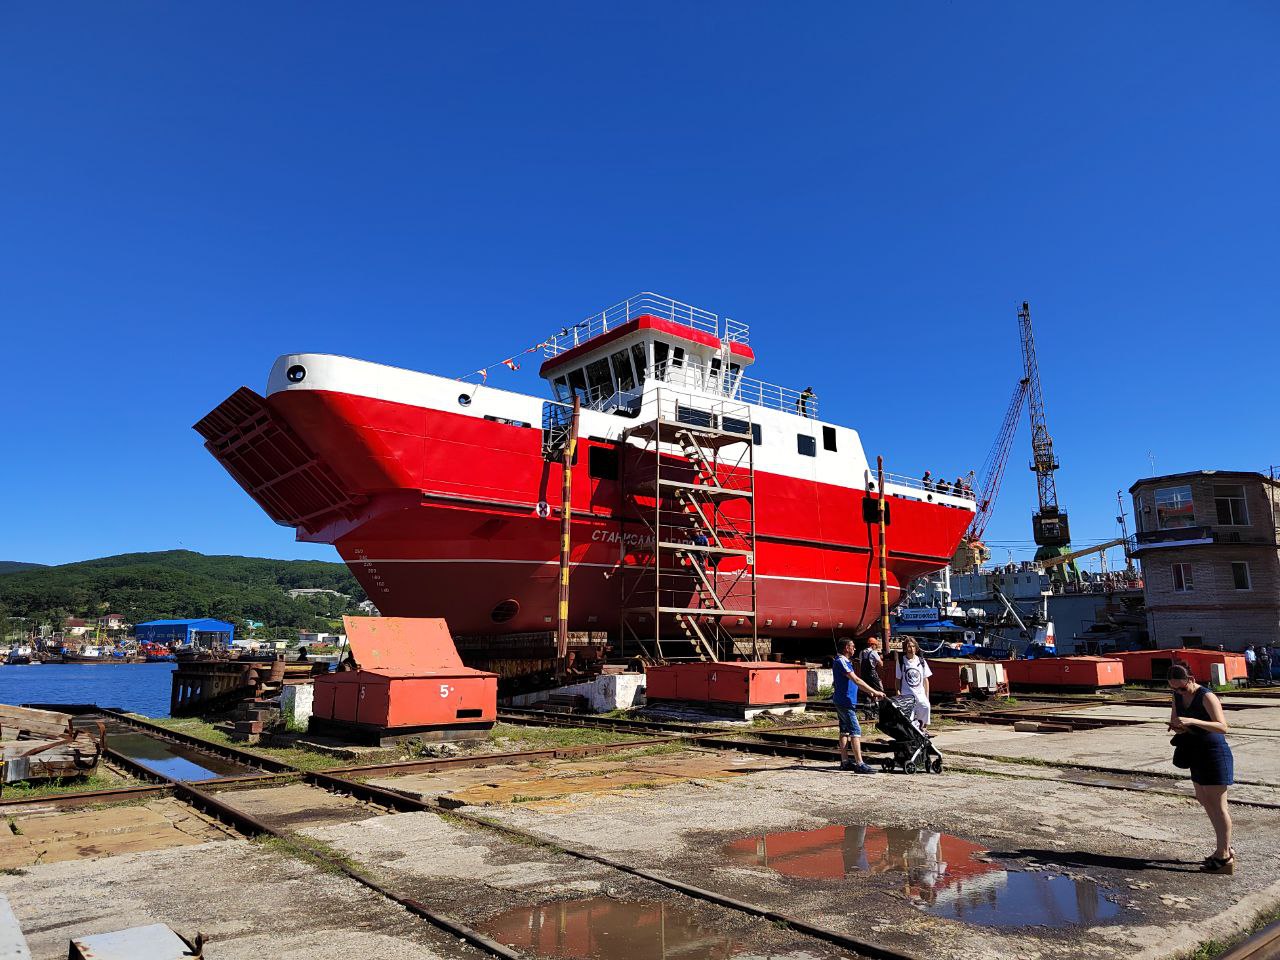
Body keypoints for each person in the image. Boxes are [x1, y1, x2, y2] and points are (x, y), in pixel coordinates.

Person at [1168, 663, 1235, 873]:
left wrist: (1192, 720)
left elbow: (1222, 726)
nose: (1178, 692)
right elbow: (1175, 721)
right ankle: (1223, 848)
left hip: (1214, 752)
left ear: (1191, 679)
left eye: (1181, 687)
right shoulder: (1177, 697)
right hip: (1193, 752)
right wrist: (1178, 727)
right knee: (1204, 799)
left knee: (1218, 805)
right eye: (1173, 688)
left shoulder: (1206, 696)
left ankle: (1224, 856)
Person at [832, 637, 885, 773]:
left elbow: (856, 682)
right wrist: (874, 691)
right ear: (846, 648)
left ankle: (845, 761)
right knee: (856, 731)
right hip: (846, 701)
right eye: (852, 646)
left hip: (843, 700)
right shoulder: (841, 661)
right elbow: (856, 679)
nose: (855, 649)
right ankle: (859, 763)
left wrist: (870, 692)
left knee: (844, 730)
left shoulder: (844, 661)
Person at [896, 637, 933, 731]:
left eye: (913, 646)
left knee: (926, 707)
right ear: (905, 648)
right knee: (909, 716)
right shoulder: (901, 661)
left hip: (920, 693)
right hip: (907, 693)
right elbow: (897, 679)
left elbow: (925, 679)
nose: (911, 649)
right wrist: (898, 692)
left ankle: (923, 728)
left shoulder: (921, 661)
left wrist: (926, 695)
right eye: (909, 646)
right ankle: (910, 732)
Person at [857, 637, 885, 718]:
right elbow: (881, 664)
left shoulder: (861, 652)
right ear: (873, 645)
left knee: (867, 692)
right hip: (872, 674)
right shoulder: (873, 652)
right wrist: (880, 658)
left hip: (864, 675)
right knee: (880, 691)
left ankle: (868, 712)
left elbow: (861, 663)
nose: (876, 647)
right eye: (876, 645)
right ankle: (878, 711)